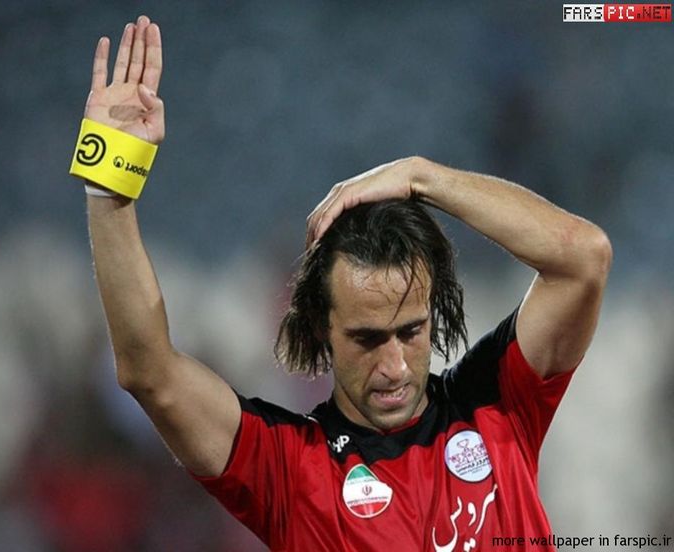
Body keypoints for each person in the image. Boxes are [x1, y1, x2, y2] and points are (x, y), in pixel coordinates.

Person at [77, 15, 612, 552]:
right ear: (321, 329)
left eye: (411, 331)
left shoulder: (497, 406)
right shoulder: (287, 470)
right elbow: (149, 371)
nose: (395, 367)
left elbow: (583, 258)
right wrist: (110, 188)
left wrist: (424, 176)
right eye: (367, 338)